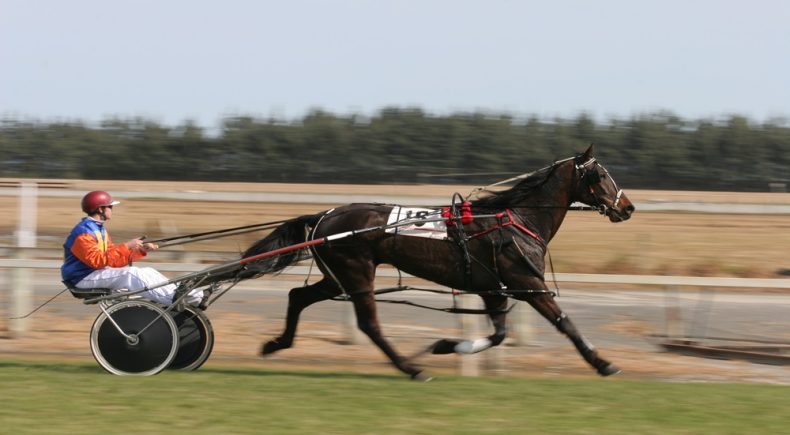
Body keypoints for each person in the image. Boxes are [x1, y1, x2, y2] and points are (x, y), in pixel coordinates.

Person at [61, 190, 203, 305]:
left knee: (148, 271)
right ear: (100, 209)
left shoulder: (99, 230)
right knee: (131, 274)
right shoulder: (84, 232)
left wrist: (139, 250)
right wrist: (127, 245)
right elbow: (97, 261)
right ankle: (173, 300)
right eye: (110, 206)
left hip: (94, 273)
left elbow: (112, 260)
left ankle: (190, 295)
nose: (112, 209)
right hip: (81, 278)